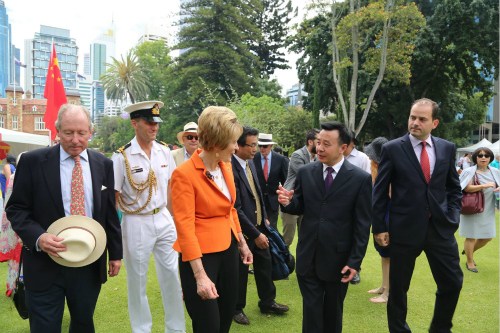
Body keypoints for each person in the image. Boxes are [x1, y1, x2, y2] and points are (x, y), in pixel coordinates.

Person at [6, 104, 122, 333]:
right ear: (57, 130)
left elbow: (109, 212)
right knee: (44, 327)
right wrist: (39, 238)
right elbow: (16, 209)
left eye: (81, 133)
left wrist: (115, 254)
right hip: (44, 264)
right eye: (68, 133)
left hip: (88, 262)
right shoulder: (32, 162)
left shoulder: (104, 165)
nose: (75, 140)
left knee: (83, 324)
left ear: (91, 131)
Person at [372, 98, 463, 333]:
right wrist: (379, 227)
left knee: (452, 282)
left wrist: (453, 215)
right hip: (404, 229)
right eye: (412, 117)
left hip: (440, 229)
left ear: (435, 123)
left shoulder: (446, 148)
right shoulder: (392, 148)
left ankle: (440, 328)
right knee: (398, 288)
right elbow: (380, 192)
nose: (415, 123)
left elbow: (453, 188)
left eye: (422, 119)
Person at [277, 121, 372, 333]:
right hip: (308, 255)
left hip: (338, 260)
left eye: (326, 144)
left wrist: (355, 261)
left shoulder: (360, 179)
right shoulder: (306, 172)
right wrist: (287, 202)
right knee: (311, 312)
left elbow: (362, 224)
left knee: (332, 313)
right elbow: (298, 206)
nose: (319, 148)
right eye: (318, 142)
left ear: (343, 148)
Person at [170, 106, 253, 333]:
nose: (237, 147)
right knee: (208, 326)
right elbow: (185, 227)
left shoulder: (225, 167)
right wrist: (200, 276)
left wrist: (242, 242)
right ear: (217, 144)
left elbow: (230, 209)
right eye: (233, 142)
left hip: (228, 253)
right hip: (200, 259)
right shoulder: (183, 175)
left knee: (225, 320)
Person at [112, 101, 185, 333]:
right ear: (135, 123)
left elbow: (172, 189)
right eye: (149, 122)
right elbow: (114, 198)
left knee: (172, 276)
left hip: (163, 218)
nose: (154, 127)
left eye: (156, 123)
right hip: (136, 221)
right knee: (138, 280)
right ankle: (141, 330)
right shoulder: (122, 156)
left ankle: (176, 329)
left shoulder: (165, 151)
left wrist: (175, 221)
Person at [231, 126, 289, 326]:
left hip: (259, 226)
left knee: (265, 265)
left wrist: (264, 219)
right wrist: (254, 234)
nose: (256, 149)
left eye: (257, 144)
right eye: (252, 145)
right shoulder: (229, 167)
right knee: (240, 271)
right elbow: (235, 208)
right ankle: (236, 308)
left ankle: (267, 302)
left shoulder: (250, 163)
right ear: (238, 145)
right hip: (242, 231)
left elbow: (259, 194)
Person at [458, 147, 500, 273]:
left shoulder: (495, 171)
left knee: (487, 237)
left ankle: (469, 251)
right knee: (471, 237)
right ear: (475, 157)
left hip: (488, 208)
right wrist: (484, 185)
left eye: (486, 156)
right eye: (480, 155)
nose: (483, 157)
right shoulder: (469, 171)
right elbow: (465, 188)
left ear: (490, 158)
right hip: (472, 207)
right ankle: (470, 262)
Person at [281, 129, 318, 247]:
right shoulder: (298, 155)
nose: (321, 145)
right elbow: (307, 176)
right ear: (310, 142)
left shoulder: (318, 157)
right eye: (319, 141)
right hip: (290, 200)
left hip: (306, 201)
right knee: (288, 239)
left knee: (306, 238)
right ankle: (282, 264)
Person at [364, 137, 390, 303]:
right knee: (384, 255)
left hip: (389, 219)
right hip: (380, 218)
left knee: (389, 255)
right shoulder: (378, 172)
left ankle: (387, 293)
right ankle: (383, 286)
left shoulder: (387, 173)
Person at [343, 130, 371, 285]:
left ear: (352, 142)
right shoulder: (336, 156)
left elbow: (367, 181)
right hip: (339, 205)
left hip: (356, 204)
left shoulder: (362, 158)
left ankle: (355, 269)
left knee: (357, 236)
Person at [0, 152, 24, 297]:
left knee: (19, 256)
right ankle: (15, 285)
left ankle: (15, 285)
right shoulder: (16, 177)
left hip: (18, 221)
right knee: (18, 255)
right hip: (18, 221)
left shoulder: (18, 176)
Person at [253, 133, 288, 230]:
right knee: (258, 229)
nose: (262, 149)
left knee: (271, 229)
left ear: (271, 146)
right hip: (257, 202)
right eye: (260, 146)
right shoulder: (253, 158)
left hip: (273, 202)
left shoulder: (280, 159)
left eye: (265, 146)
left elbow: (285, 181)